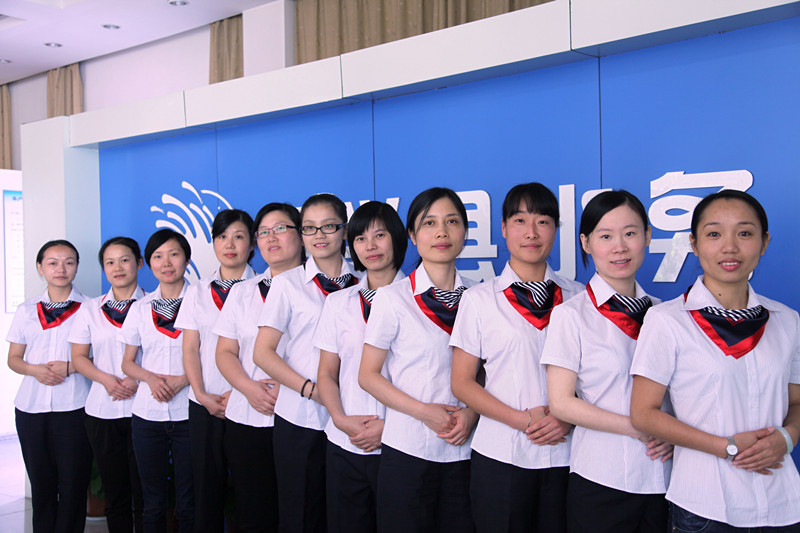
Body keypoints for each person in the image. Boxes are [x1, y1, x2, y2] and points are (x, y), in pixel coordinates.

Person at [630, 189, 800, 531]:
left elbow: (796, 401)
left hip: (782, 501)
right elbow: (643, 413)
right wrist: (726, 447)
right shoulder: (667, 321)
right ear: (693, 244)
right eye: (714, 234)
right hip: (705, 505)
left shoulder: (786, 320)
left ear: (764, 242)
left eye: (745, 233)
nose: (730, 247)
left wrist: (787, 437)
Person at [450, 183, 581, 533]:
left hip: (568, 455)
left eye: (543, 221)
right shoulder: (479, 299)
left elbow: (594, 378)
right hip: (501, 455)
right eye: (520, 220)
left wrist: (567, 417)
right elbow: (462, 383)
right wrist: (523, 420)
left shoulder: (578, 297)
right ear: (504, 228)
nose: (532, 232)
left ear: (556, 229)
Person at [540, 190, 671, 533]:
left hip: (667, 479)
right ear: (586, 243)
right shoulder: (571, 315)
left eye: (630, 233)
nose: (620, 247)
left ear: (647, 236)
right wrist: (639, 426)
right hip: (602, 479)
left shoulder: (665, 314)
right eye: (606, 236)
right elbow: (562, 403)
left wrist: (673, 432)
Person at [359, 187, 478, 533]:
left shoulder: (481, 297)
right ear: (412, 235)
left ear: (465, 231)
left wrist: (471, 413)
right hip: (408, 449)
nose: (441, 232)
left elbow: (488, 371)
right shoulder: (392, 298)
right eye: (429, 223)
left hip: (467, 450)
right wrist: (423, 411)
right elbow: (368, 375)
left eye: (451, 222)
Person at [254, 193, 356, 533]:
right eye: (310, 228)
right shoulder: (287, 284)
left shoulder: (364, 282)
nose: (319, 235)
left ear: (345, 230)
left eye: (328, 226)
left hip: (353, 416)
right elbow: (263, 353)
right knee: (300, 516)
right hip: (301, 416)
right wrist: (311, 390)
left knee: (347, 516)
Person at [314, 201, 407, 533]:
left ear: (398, 238)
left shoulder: (419, 300)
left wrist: (390, 427)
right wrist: (340, 419)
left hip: (403, 445)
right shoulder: (338, 302)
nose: (371, 246)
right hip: (345, 443)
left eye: (380, 235)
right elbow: (327, 373)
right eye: (360, 238)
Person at [215, 203, 304, 533]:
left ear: (302, 234)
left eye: (280, 229)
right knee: (254, 512)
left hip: (305, 417)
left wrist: (294, 388)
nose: (271, 238)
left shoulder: (325, 290)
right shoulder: (242, 291)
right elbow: (225, 352)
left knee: (302, 512)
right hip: (248, 416)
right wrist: (249, 389)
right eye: (263, 232)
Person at [174, 209, 255, 533]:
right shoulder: (197, 291)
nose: (230, 244)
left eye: (238, 236)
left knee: (252, 491)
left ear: (252, 244)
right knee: (206, 491)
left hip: (249, 404)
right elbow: (190, 348)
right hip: (205, 403)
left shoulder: (266, 288)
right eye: (222, 237)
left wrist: (242, 391)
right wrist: (201, 394)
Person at [7, 239, 91, 533]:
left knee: (73, 484)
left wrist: (70, 367)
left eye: (68, 262)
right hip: (31, 408)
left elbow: (102, 357)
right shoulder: (26, 310)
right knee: (41, 485)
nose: (61, 269)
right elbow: (13, 359)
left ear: (77, 267)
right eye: (53, 263)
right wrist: (35, 370)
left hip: (75, 406)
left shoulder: (91, 309)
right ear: (40, 268)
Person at [71, 236, 145, 533]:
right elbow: (78, 357)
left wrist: (135, 380)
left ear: (139, 263)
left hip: (145, 409)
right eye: (110, 262)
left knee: (145, 492)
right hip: (103, 410)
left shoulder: (154, 305)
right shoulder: (90, 309)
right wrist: (107, 381)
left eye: (125, 260)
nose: (118, 267)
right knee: (115, 493)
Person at [121, 229, 193, 533]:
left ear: (186, 259)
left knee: (190, 500)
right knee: (153, 501)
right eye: (158, 256)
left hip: (190, 412)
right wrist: (150, 378)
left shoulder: (202, 301)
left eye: (174, 254)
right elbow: (127, 363)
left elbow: (216, 356)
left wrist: (183, 380)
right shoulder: (140, 308)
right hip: (147, 415)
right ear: (148, 263)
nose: (166, 263)